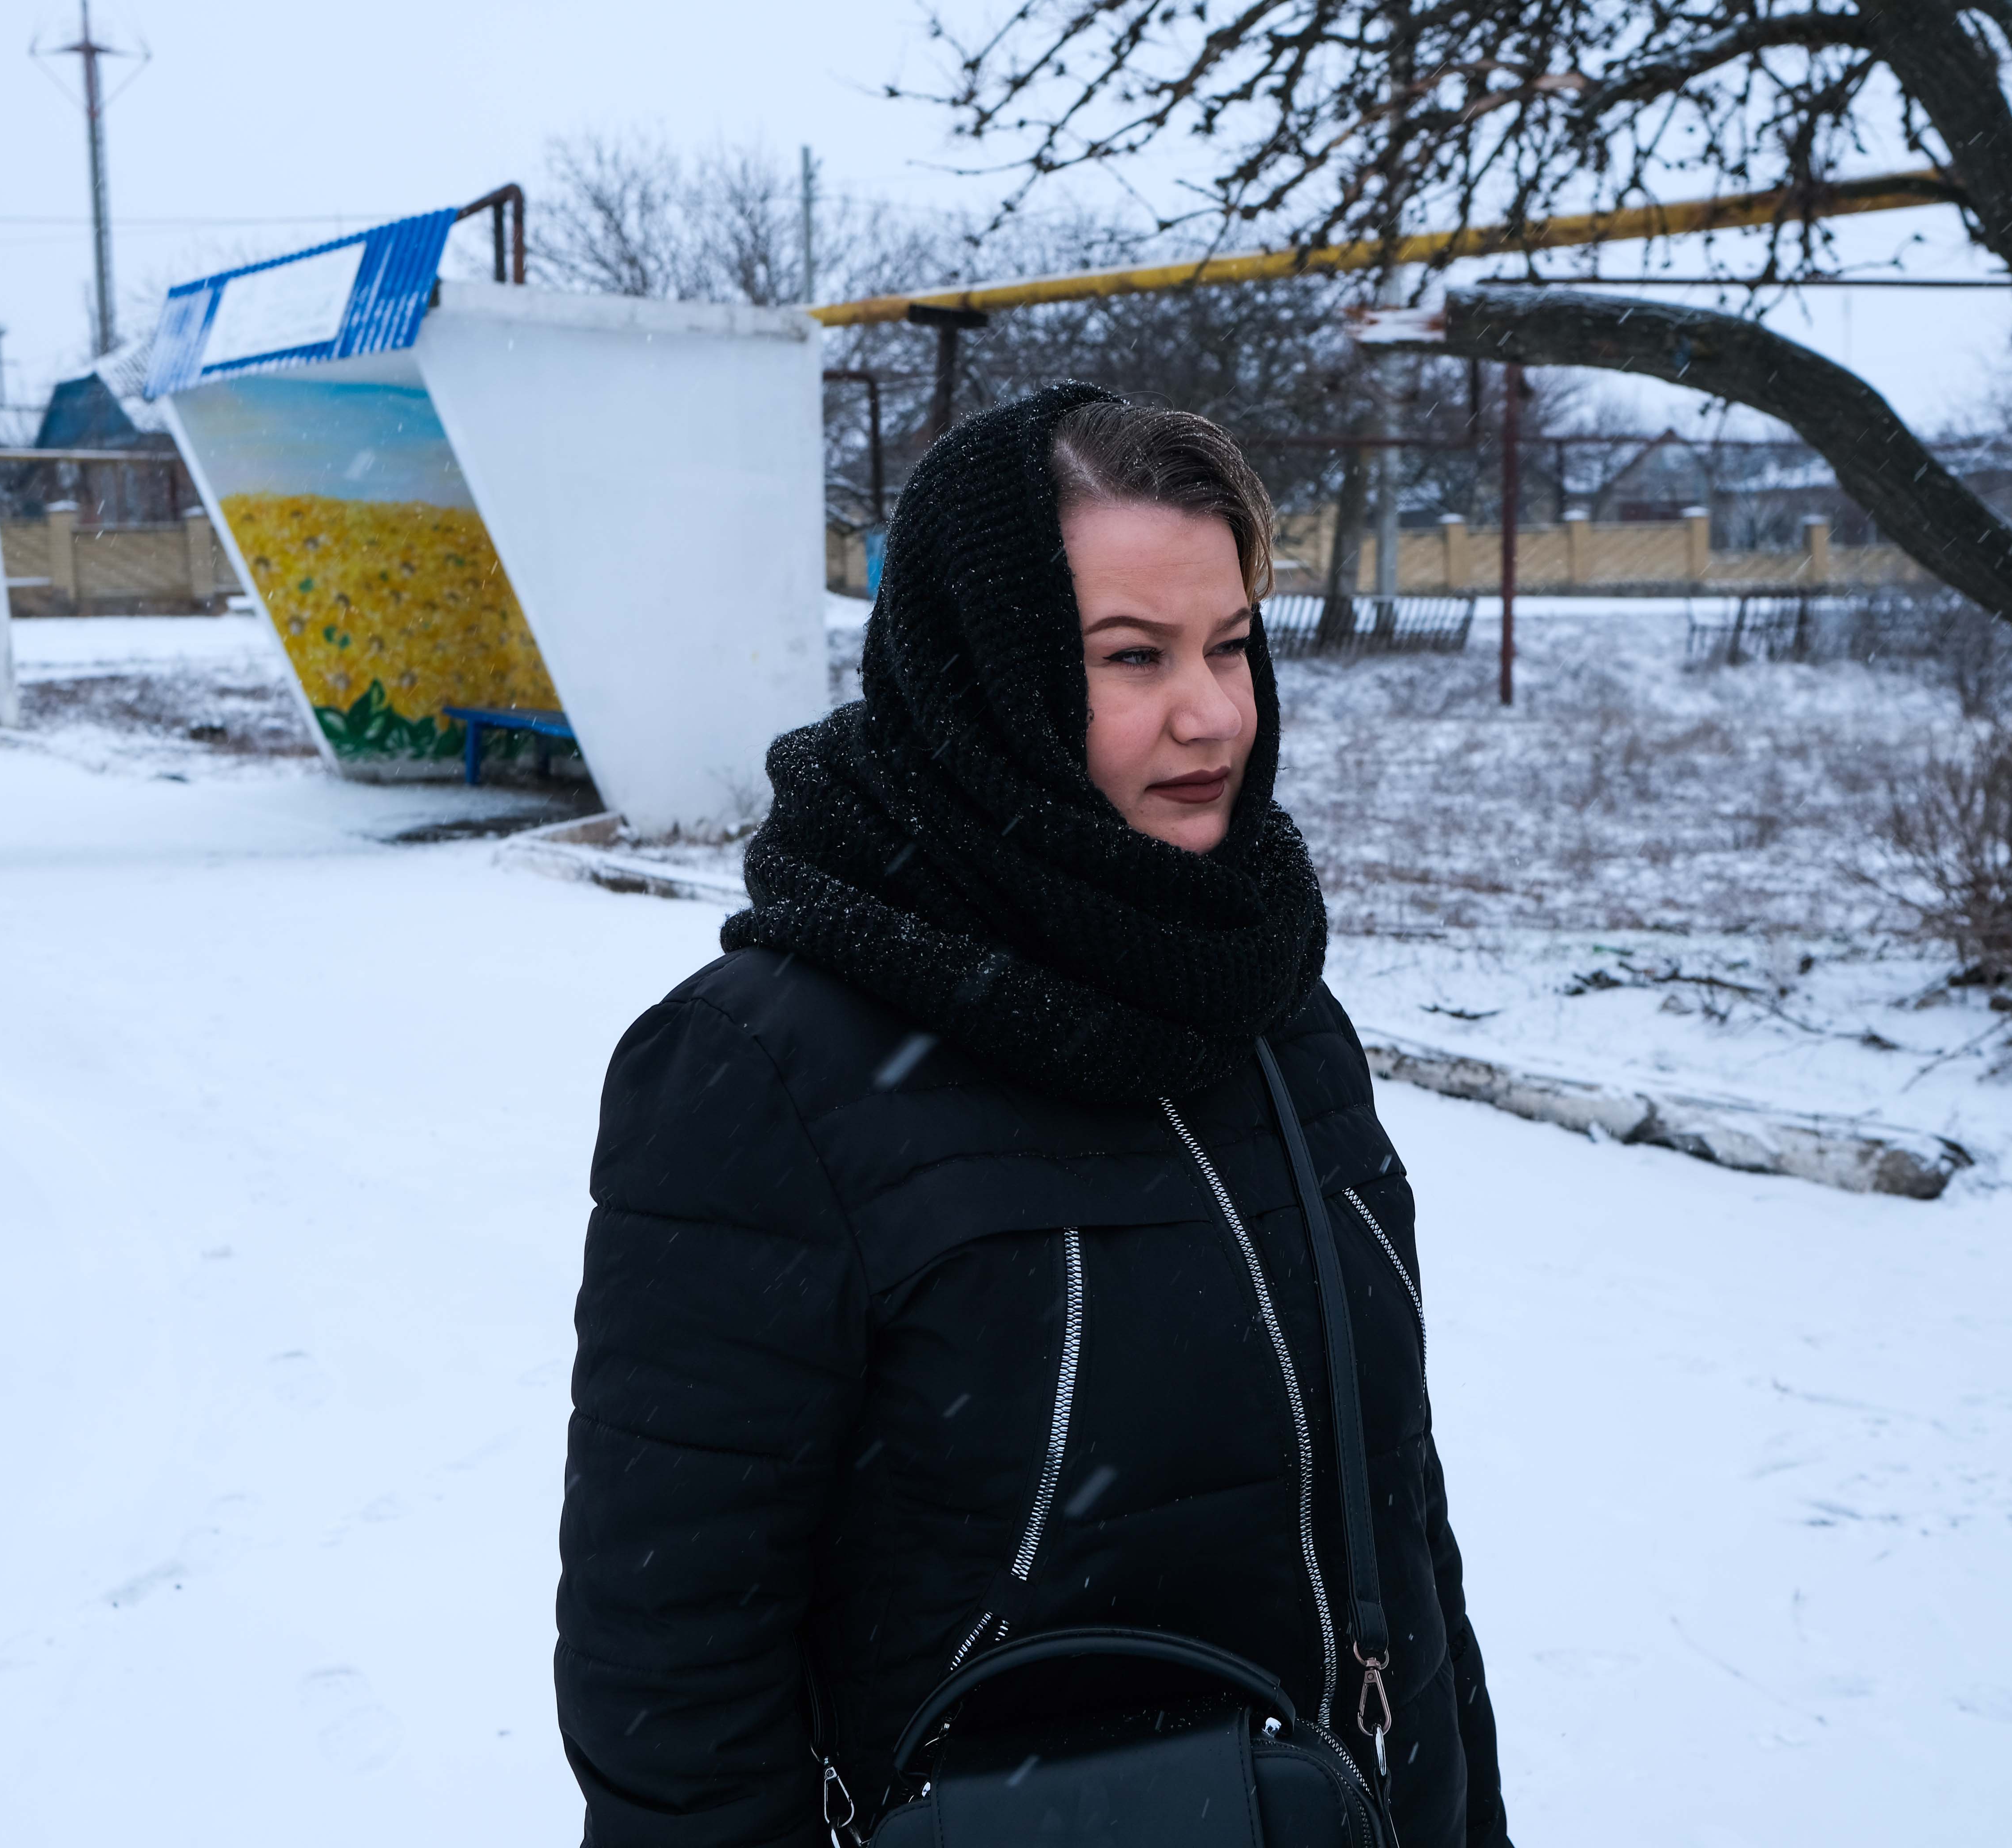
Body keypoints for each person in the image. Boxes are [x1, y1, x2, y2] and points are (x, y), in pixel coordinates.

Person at [557, 382, 1509, 1848]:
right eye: (1134, 658)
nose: (1212, 715)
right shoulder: (766, 1069)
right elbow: (672, 1661)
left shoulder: (1268, 1005)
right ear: (984, 677)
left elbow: (1400, 1530)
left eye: (1232, 646)